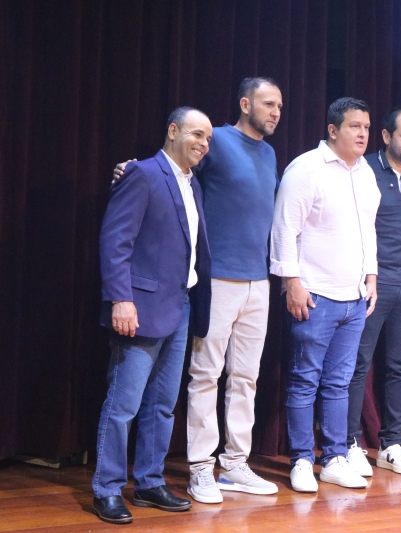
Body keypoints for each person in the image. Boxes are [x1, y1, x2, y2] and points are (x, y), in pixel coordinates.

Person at [115, 78, 284, 502]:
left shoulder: (269, 153)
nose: (276, 112)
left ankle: (235, 464)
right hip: (218, 278)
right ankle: (201, 469)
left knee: (246, 377)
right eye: (268, 103)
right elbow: (176, 171)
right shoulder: (217, 141)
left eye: (279, 106)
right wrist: (131, 168)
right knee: (206, 374)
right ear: (245, 104)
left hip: (258, 280)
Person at [93, 107, 213, 524]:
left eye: (208, 139)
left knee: (163, 404)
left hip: (180, 305)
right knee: (123, 404)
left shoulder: (193, 183)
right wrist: (120, 299)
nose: (203, 144)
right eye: (196, 134)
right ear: (173, 131)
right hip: (141, 308)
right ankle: (107, 488)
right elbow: (115, 242)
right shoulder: (142, 174)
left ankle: (149, 481)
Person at [270, 97, 381, 492]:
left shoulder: (365, 172)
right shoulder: (306, 168)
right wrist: (292, 283)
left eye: (366, 127)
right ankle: (302, 460)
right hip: (314, 295)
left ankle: (334, 458)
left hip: (354, 297)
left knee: (339, 383)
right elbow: (284, 228)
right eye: (355, 126)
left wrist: (371, 276)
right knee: (305, 381)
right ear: (333, 130)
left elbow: (368, 229)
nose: (363, 134)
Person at [345, 108, 401, 478]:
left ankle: (391, 444)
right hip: (369, 285)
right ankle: (350, 443)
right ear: (386, 136)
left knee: (400, 366)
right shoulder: (363, 170)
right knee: (357, 365)